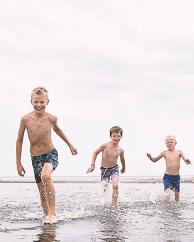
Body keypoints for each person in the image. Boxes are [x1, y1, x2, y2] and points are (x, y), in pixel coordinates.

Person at [16, 87, 77, 224]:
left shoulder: (51, 118)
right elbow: (19, 140)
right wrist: (18, 163)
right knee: (41, 188)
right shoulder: (25, 119)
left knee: (46, 176)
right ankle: (46, 214)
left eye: (42, 102)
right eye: (36, 102)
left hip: (50, 153)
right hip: (35, 157)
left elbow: (59, 131)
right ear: (31, 101)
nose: (39, 105)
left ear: (47, 101)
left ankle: (52, 214)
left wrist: (70, 145)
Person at [86, 126, 125, 204]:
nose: (116, 138)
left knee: (115, 186)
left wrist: (123, 167)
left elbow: (122, 159)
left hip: (114, 168)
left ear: (121, 137)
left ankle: (114, 205)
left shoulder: (120, 150)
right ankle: (107, 203)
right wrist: (93, 165)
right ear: (110, 136)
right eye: (114, 136)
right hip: (104, 169)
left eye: (118, 136)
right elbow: (95, 153)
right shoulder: (105, 146)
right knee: (105, 189)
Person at [146, 135, 191, 201]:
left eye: (171, 142)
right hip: (167, 177)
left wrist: (187, 161)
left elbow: (185, 159)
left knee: (177, 198)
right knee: (168, 193)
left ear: (175, 143)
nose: (169, 143)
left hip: (176, 177)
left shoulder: (179, 152)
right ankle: (166, 205)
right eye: (167, 142)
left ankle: (173, 208)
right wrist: (150, 158)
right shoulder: (164, 153)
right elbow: (154, 160)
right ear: (165, 143)